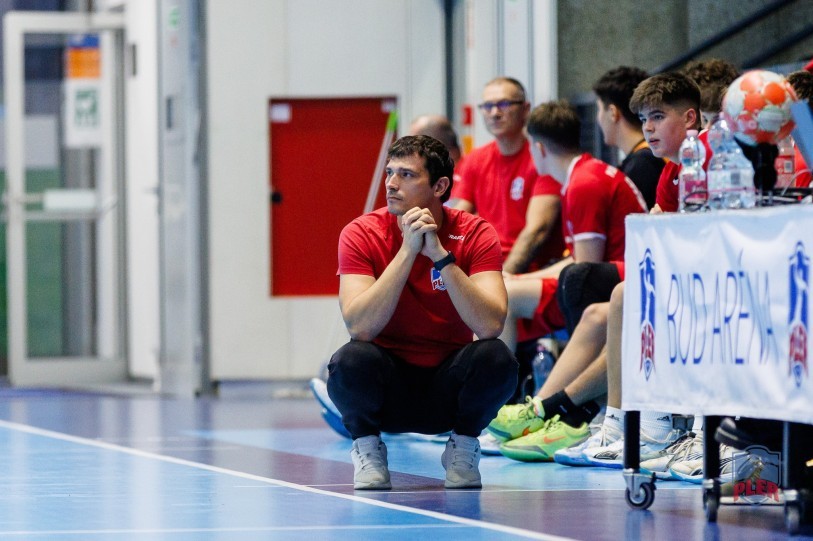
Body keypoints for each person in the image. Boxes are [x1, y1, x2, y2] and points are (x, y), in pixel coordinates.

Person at [490, 74, 702, 464]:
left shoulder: (587, 181)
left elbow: (586, 262)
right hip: (649, 276)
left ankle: (558, 412)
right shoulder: (668, 172)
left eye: (657, 117)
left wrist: (518, 277)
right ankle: (564, 413)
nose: (649, 127)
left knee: (576, 285)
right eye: (645, 119)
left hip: (664, 278)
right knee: (595, 304)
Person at [326, 135, 518, 490]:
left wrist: (441, 257)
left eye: (407, 175)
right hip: (388, 390)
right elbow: (360, 326)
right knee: (349, 361)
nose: (391, 183)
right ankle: (367, 447)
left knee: (497, 357)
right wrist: (407, 252)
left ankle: (463, 445)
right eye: (389, 172)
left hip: (447, 389)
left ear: (440, 186)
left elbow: (491, 325)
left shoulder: (475, 232)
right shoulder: (360, 233)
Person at [451, 77, 565, 274]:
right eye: (488, 106)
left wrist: (503, 277)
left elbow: (536, 230)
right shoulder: (474, 159)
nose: (495, 113)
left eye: (504, 104)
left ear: (525, 109)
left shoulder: (543, 158)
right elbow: (456, 220)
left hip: (529, 271)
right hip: (484, 265)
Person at [593, 66, 665, 209]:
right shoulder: (646, 158)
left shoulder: (642, 165)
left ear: (613, 113)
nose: (598, 118)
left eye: (599, 109)